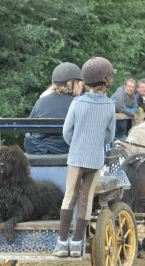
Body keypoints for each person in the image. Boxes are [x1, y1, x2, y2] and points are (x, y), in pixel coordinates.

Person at [53, 57, 116, 257]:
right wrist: (94, 144)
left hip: (76, 158)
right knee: (86, 199)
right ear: (106, 80)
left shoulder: (77, 102)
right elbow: (109, 136)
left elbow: (67, 132)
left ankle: (63, 242)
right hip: (95, 160)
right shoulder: (110, 105)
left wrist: (78, 144)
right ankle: (78, 241)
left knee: (69, 196)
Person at [24, 62, 83, 154]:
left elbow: (29, 128)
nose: (79, 86)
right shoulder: (78, 104)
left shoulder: (41, 101)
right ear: (69, 83)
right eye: (77, 83)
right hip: (67, 151)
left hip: (41, 151)